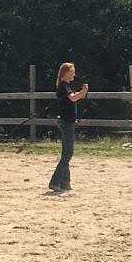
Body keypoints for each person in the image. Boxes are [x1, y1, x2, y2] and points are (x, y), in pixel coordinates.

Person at [49, 62, 89, 192]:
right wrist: (83, 92)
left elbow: (69, 104)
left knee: (66, 152)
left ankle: (65, 183)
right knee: (68, 152)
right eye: (72, 72)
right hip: (66, 123)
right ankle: (55, 181)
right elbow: (73, 99)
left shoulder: (65, 86)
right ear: (66, 73)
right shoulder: (64, 86)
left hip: (68, 121)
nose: (74, 74)